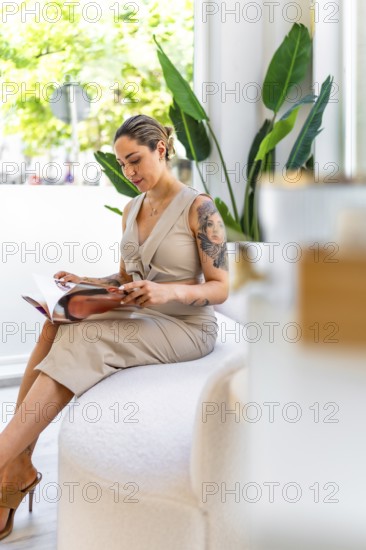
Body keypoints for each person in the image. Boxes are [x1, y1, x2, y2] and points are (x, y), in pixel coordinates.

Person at [0, 114, 229, 540]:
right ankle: (16, 466)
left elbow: (220, 289)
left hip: (186, 326)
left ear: (161, 148)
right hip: (143, 312)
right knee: (56, 323)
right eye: (123, 164)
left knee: (85, 335)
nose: (130, 172)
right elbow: (127, 278)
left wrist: (168, 293)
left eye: (135, 160)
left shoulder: (201, 208)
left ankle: (6, 465)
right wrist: (85, 282)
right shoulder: (131, 208)